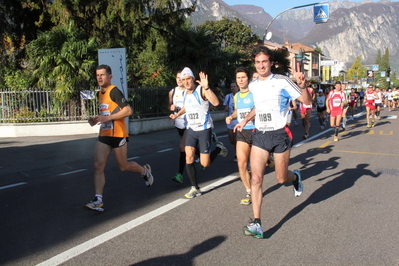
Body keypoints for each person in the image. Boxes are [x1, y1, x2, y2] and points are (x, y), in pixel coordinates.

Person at [234, 46, 311, 239]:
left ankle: (295, 178)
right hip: (260, 134)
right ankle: (257, 222)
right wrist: (245, 120)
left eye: (264, 61)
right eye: (258, 62)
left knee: (281, 178)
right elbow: (258, 106)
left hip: (280, 135)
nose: (261, 65)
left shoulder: (282, 81)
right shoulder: (253, 85)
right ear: (255, 64)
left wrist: (302, 85)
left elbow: (306, 101)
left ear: (271, 63)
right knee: (256, 179)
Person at [84, 65, 154, 212]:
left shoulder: (114, 91)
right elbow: (107, 112)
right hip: (104, 134)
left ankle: (144, 171)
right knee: (98, 166)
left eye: (103, 75)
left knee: (123, 166)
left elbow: (128, 110)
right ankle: (98, 200)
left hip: (118, 134)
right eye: (97, 75)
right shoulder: (100, 93)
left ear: (110, 76)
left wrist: (108, 117)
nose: (100, 77)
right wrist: (97, 119)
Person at [170, 67, 228, 199]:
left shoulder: (201, 90)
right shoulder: (185, 93)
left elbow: (216, 102)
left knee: (205, 163)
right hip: (191, 129)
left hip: (204, 129)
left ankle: (218, 149)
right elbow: (187, 107)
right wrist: (177, 115)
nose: (186, 82)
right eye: (183, 80)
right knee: (188, 156)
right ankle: (195, 188)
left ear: (192, 79)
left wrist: (207, 88)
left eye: (188, 79)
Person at [226, 67, 254, 205]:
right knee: (241, 163)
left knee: (255, 166)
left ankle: (256, 186)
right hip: (242, 131)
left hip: (256, 130)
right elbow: (238, 111)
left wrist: (248, 119)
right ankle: (249, 192)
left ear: (248, 78)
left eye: (243, 77)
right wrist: (231, 117)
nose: (241, 80)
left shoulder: (254, 93)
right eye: (238, 78)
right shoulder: (236, 96)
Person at [169, 71, 187, 183]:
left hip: (189, 123)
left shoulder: (189, 91)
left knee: (182, 147)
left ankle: (180, 174)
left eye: (181, 78)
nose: (179, 80)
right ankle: (216, 149)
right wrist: (171, 108)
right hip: (178, 123)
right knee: (188, 147)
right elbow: (170, 105)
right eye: (177, 78)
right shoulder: (172, 91)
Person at [224, 82, 239, 162]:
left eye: (234, 86)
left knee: (237, 139)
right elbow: (225, 106)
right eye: (231, 87)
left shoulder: (240, 95)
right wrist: (226, 108)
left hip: (238, 120)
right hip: (230, 121)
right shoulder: (228, 96)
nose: (233, 88)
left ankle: (237, 155)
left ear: (237, 87)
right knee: (232, 140)